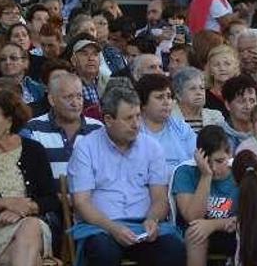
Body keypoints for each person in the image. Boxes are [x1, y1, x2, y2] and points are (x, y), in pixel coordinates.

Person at [67, 84, 185, 265]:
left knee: (173, 249)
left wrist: (152, 220)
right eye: (129, 118)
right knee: (104, 252)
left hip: (142, 226)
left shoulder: (152, 147)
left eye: (138, 116)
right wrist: (113, 228)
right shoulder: (86, 148)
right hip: (101, 227)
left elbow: (160, 199)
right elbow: (81, 203)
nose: (136, 124)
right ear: (108, 119)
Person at [0, 89, 59, 265]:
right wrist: (0, 204)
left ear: (9, 121)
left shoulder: (33, 150)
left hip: (32, 224)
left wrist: (24, 208)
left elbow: (51, 199)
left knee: (30, 226)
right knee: (30, 259)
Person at [170, 125, 238, 266]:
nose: (213, 168)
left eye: (220, 161)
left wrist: (213, 224)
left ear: (230, 154)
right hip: (197, 231)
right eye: (207, 161)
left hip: (233, 230)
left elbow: (252, 218)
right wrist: (205, 176)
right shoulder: (185, 172)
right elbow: (193, 217)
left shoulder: (240, 172)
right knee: (195, 233)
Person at [24, 70, 103, 179]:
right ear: (52, 100)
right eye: (68, 97)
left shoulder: (98, 129)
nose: (75, 103)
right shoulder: (33, 129)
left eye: (79, 96)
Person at [136, 74, 197, 172]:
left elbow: (196, 159)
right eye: (160, 97)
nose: (166, 102)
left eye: (169, 96)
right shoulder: (134, 130)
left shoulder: (181, 127)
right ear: (143, 103)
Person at [171, 67, 223, 134]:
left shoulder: (216, 117)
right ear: (178, 95)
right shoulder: (168, 117)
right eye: (192, 89)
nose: (199, 93)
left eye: (202, 88)